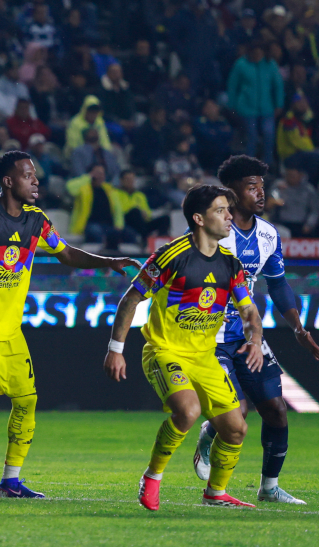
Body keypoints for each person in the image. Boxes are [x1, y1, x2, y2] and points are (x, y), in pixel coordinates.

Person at [0, 151, 137, 499]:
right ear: (8, 181)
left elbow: (66, 253)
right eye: (28, 175)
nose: (36, 181)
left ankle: (10, 482)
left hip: (9, 332)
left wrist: (109, 261)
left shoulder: (37, 222)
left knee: (26, 401)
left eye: (35, 175)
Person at [104, 185, 264, 510]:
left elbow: (248, 310)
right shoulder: (171, 256)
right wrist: (116, 348)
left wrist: (256, 340)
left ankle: (215, 494)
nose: (230, 216)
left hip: (204, 358)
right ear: (199, 219)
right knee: (188, 411)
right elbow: (131, 298)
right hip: (165, 352)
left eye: (228, 210)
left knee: (236, 429)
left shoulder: (230, 265)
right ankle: (151, 477)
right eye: (221, 211)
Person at [189, 156, 319, 505]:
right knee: (237, 412)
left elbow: (278, 286)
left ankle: (269, 487)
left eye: (262, 187)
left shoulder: (267, 234)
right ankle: (208, 437)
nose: (261, 193)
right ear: (231, 193)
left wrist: (298, 328)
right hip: (209, 336)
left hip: (247, 336)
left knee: (277, 411)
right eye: (252, 187)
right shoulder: (213, 230)